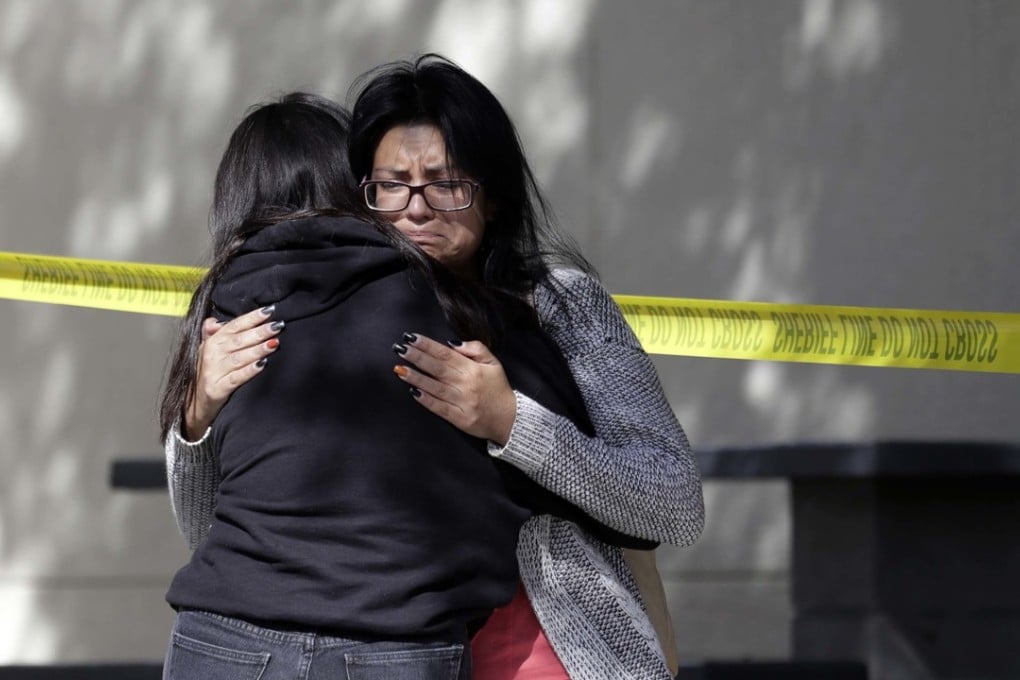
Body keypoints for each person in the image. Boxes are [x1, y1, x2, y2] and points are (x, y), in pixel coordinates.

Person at [167, 55, 705, 679]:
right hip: (394, 653)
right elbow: (208, 531)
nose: (417, 208)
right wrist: (196, 418)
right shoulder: (317, 313)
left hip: (551, 653)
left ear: (493, 197)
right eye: (392, 184)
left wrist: (512, 422)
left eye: (446, 184)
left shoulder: (560, 305)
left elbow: (673, 504)